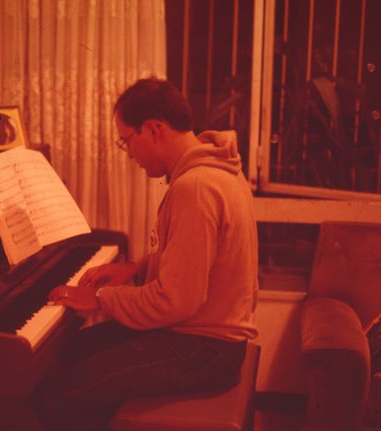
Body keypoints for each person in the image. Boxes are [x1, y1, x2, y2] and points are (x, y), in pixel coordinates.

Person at [33, 77, 259, 430]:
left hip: (205, 348)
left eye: (127, 141)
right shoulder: (218, 171)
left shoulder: (195, 187)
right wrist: (137, 268)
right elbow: (198, 258)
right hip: (206, 336)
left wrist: (100, 299)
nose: (130, 155)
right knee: (74, 350)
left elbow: (174, 301)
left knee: (57, 394)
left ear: (154, 129)